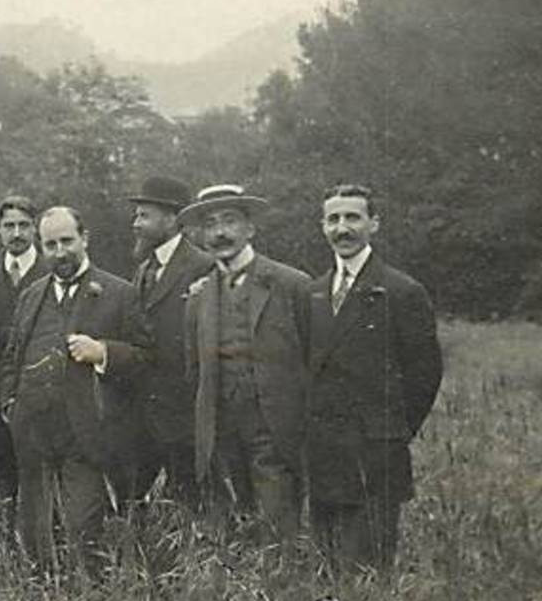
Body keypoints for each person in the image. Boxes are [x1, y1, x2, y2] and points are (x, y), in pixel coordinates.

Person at [0, 207, 151, 579]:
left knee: (83, 531)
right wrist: (10, 403)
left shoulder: (119, 293)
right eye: (50, 244)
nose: (60, 252)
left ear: (85, 238)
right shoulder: (31, 295)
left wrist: (104, 352)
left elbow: (147, 357)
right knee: (34, 535)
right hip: (33, 433)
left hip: (86, 436)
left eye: (67, 241)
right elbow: (12, 354)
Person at [305, 185, 443, 574]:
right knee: (326, 569)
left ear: (374, 224)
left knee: (367, 573)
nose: (342, 228)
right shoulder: (312, 292)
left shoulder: (402, 291)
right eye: (333, 219)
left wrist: (390, 430)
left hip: (375, 455)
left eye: (353, 217)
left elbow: (424, 374)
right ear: (322, 227)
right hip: (323, 456)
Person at [181, 183, 312, 541]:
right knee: (232, 524)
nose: (220, 232)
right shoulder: (199, 296)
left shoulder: (292, 284)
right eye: (210, 224)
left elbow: (315, 360)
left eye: (230, 221)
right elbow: (194, 370)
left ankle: (283, 588)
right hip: (222, 427)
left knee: (277, 520)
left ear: (250, 228)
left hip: (274, 427)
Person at [126, 175, 215, 507]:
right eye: (136, 216)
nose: (136, 224)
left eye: (144, 216)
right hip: (146, 413)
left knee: (191, 503)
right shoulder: (143, 268)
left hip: (184, 415)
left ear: (173, 219)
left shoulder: (201, 266)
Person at [0, 194, 50, 508]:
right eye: (9, 226)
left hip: (42, 403)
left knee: (42, 488)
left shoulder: (51, 276)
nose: (16, 233)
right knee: (0, 489)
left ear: (35, 230)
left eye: (23, 225)